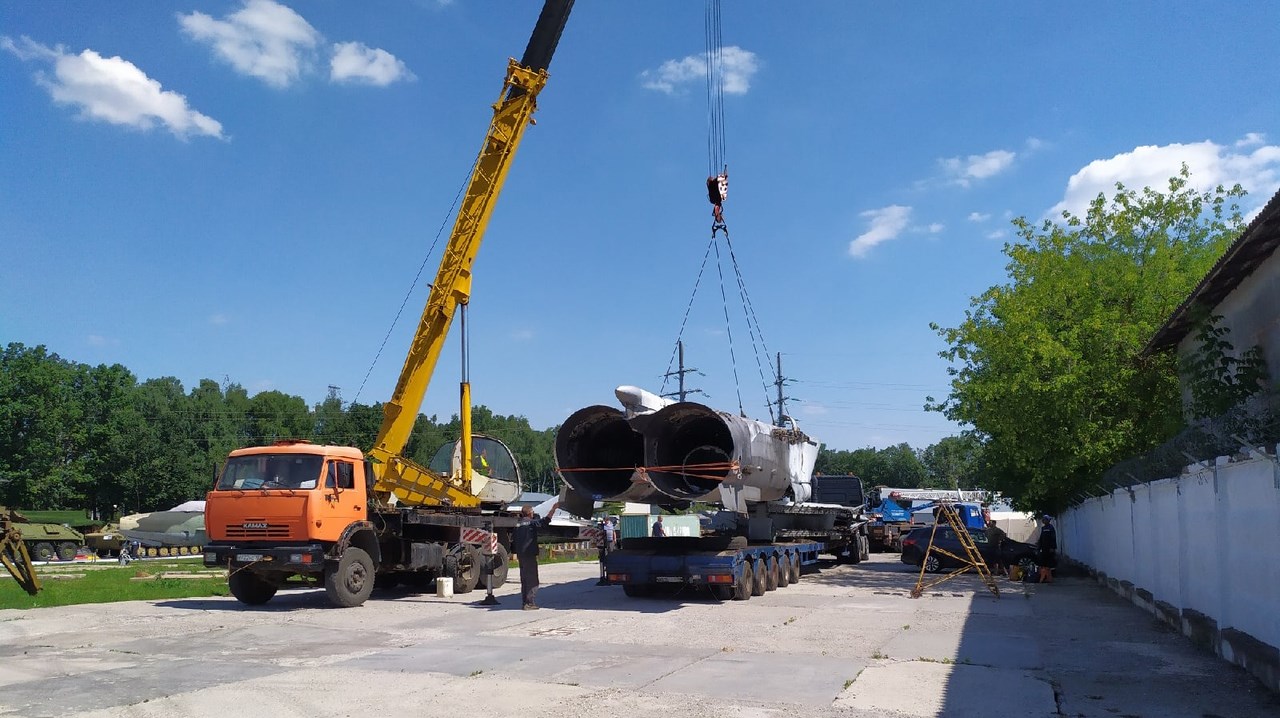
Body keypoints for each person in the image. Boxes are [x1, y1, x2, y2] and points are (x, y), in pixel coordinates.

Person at [512, 500, 558, 610]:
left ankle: (525, 602)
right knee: (532, 580)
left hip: (521, 555)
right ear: (530, 513)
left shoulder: (517, 524)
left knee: (524, 579)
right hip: (529, 554)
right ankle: (529, 603)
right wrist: (554, 509)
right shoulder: (531, 523)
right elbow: (546, 521)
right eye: (532, 512)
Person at [984, 511, 1008, 577]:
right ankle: (997, 572)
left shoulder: (997, 530)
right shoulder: (988, 530)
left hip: (996, 547)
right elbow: (985, 535)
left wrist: (999, 540)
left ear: (994, 523)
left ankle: (1000, 572)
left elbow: (1003, 534)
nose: (990, 523)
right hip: (990, 547)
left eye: (991, 522)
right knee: (994, 560)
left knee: (998, 560)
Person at [1037, 514, 1057, 584]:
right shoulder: (1043, 528)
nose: (1044, 521)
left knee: (1049, 564)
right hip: (1044, 548)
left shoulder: (1051, 528)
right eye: (1043, 520)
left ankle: (1049, 578)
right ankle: (1045, 577)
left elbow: (1053, 538)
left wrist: (1052, 547)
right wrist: (1039, 547)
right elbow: (1041, 538)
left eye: (1045, 519)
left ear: (1048, 520)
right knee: (1044, 564)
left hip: (1049, 548)